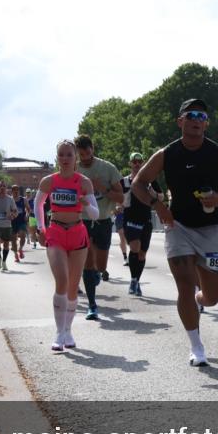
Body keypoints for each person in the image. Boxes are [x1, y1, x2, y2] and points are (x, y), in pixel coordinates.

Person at [131, 98, 218, 366]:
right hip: (177, 227)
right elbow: (138, 183)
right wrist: (158, 206)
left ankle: (200, 299)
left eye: (202, 116)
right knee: (183, 283)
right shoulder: (166, 154)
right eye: (191, 115)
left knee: (212, 297)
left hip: (211, 229)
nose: (196, 120)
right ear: (180, 121)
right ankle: (196, 346)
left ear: (206, 123)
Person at [33, 139, 99, 352]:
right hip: (56, 232)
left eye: (69, 155)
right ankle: (59, 333)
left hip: (78, 233)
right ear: (57, 158)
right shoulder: (48, 181)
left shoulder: (84, 182)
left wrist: (86, 203)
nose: (65, 158)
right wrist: (40, 228)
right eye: (61, 154)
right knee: (61, 280)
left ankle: (68, 330)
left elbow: (95, 214)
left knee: (72, 285)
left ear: (75, 157)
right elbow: (38, 205)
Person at [75, 134, 124, 320]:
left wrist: (102, 188)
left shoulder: (107, 168)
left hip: (103, 220)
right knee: (87, 261)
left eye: (88, 153)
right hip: (82, 221)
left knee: (101, 266)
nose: (85, 158)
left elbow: (121, 197)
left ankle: (96, 273)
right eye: (82, 155)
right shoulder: (75, 169)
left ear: (93, 149)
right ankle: (92, 305)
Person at [122, 152, 164, 297]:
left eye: (139, 161)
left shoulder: (149, 180)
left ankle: (136, 281)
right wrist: (116, 206)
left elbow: (161, 196)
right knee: (135, 247)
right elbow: (117, 198)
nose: (137, 164)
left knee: (142, 254)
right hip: (130, 220)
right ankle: (134, 280)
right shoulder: (125, 181)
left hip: (145, 220)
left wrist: (152, 191)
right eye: (134, 161)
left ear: (143, 163)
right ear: (130, 164)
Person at [10, 184, 31, 262]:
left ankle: (20, 249)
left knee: (23, 235)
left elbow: (29, 209)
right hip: (12, 222)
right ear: (12, 191)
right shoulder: (9, 200)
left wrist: (27, 216)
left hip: (21, 220)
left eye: (17, 190)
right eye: (14, 190)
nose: (16, 191)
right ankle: (16, 255)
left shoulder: (23, 199)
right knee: (13, 239)